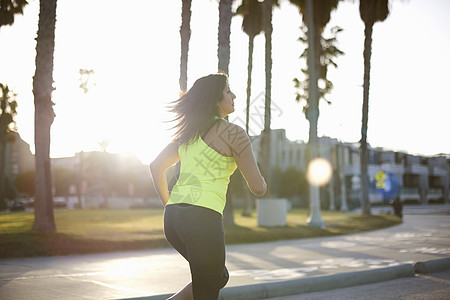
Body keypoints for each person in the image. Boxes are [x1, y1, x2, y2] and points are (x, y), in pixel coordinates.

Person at [150, 73, 267, 300]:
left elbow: (156, 166)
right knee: (207, 289)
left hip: (173, 220)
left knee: (216, 277)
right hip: (202, 219)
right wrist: (263, 182)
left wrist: (169, 205)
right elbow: (258, 187)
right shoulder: (234, 133)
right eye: (227, 91)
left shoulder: (187, 135)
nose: (234, 95)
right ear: (215, 99)